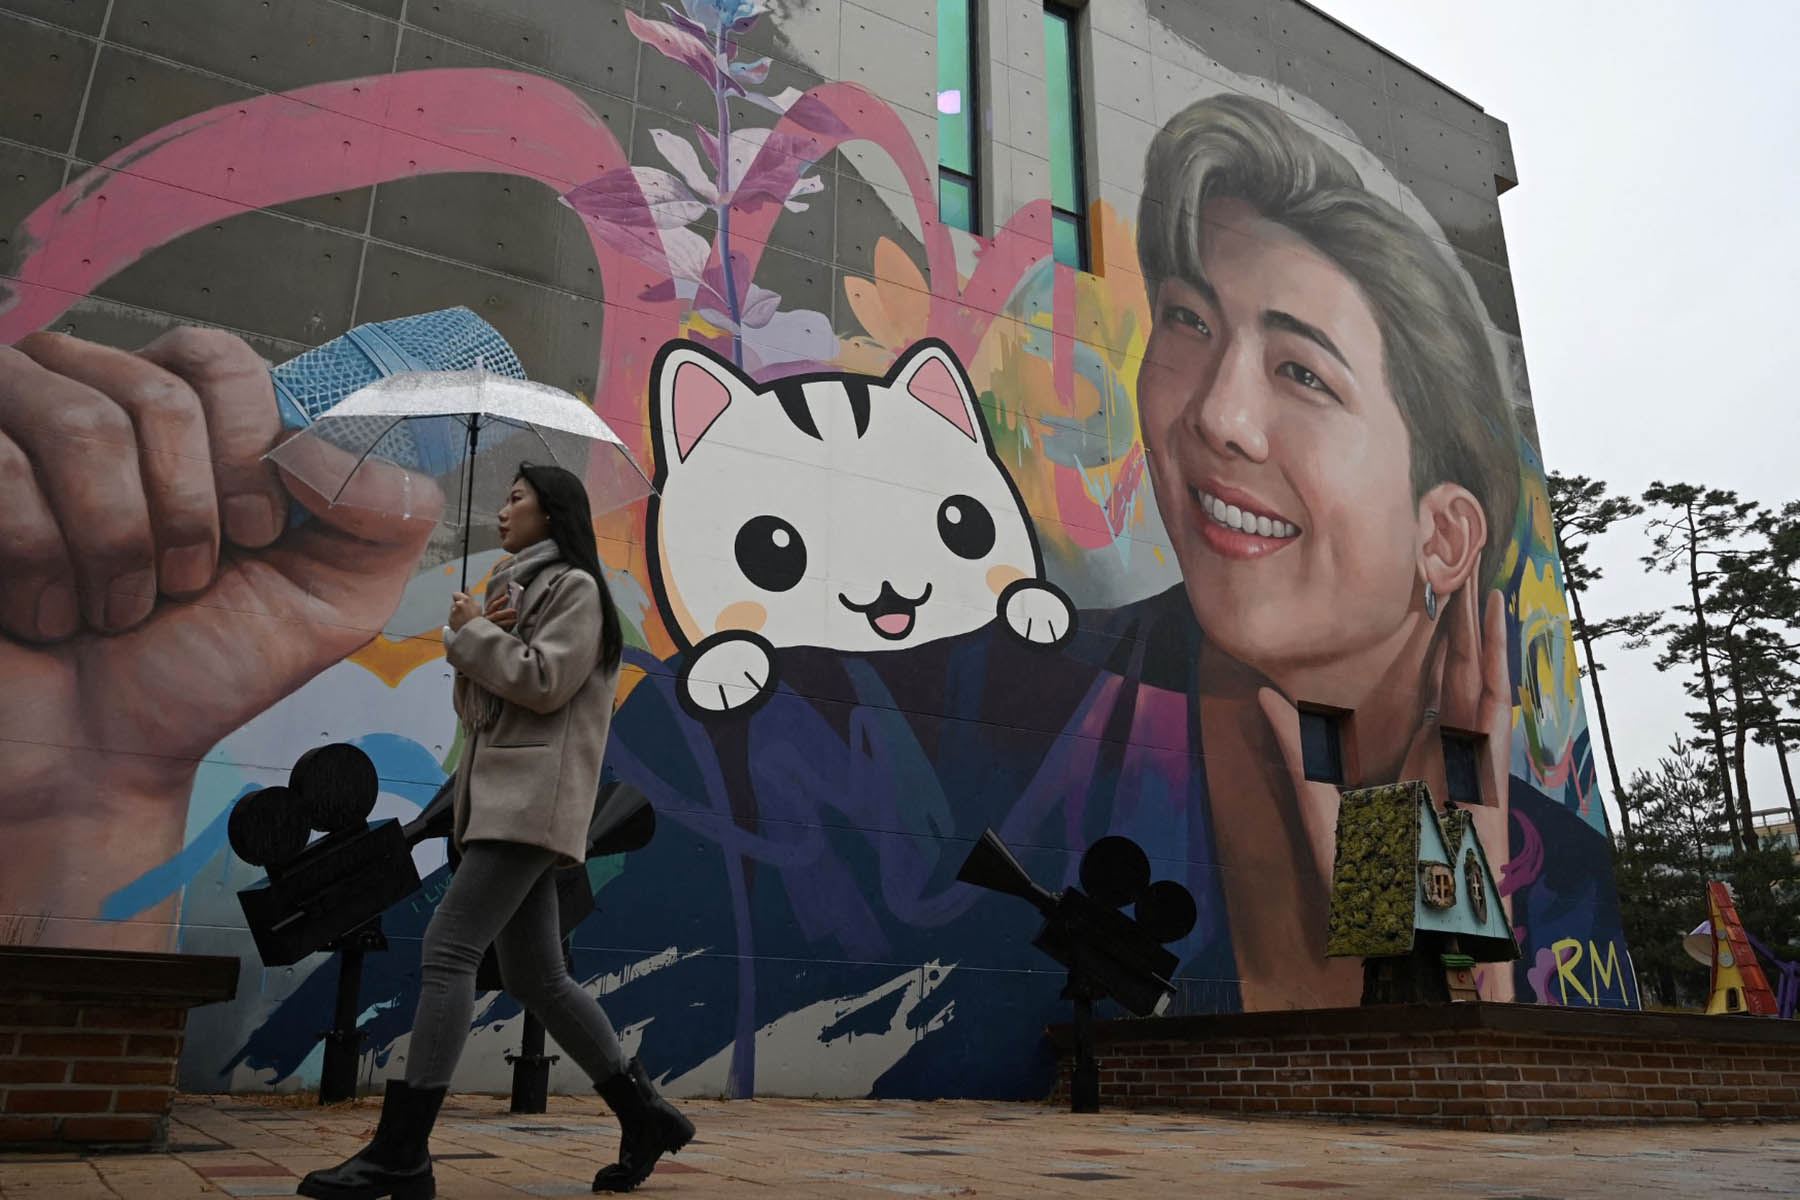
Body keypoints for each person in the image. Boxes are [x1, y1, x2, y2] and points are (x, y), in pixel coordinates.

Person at [1131, 91, 1523, 1005]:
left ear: (1444, 536)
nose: (1218, 419)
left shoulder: (1561, 860)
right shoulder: (974, 719)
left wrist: (1460, 919)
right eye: (1189, 321)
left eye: (1303, 373)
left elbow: (1471, 1091)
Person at [298, 462, 694, 1199]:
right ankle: (644, 1115)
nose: (503, 510)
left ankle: (401, 1151)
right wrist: (474, 633)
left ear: (554, 513)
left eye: (517, 498)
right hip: (505, 800)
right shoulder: (518, 591)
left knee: (448, 949)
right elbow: (485, 711)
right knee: (536, 977)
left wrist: (474, 633)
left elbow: (545, 682)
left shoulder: (577, 589)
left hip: (530, 802)